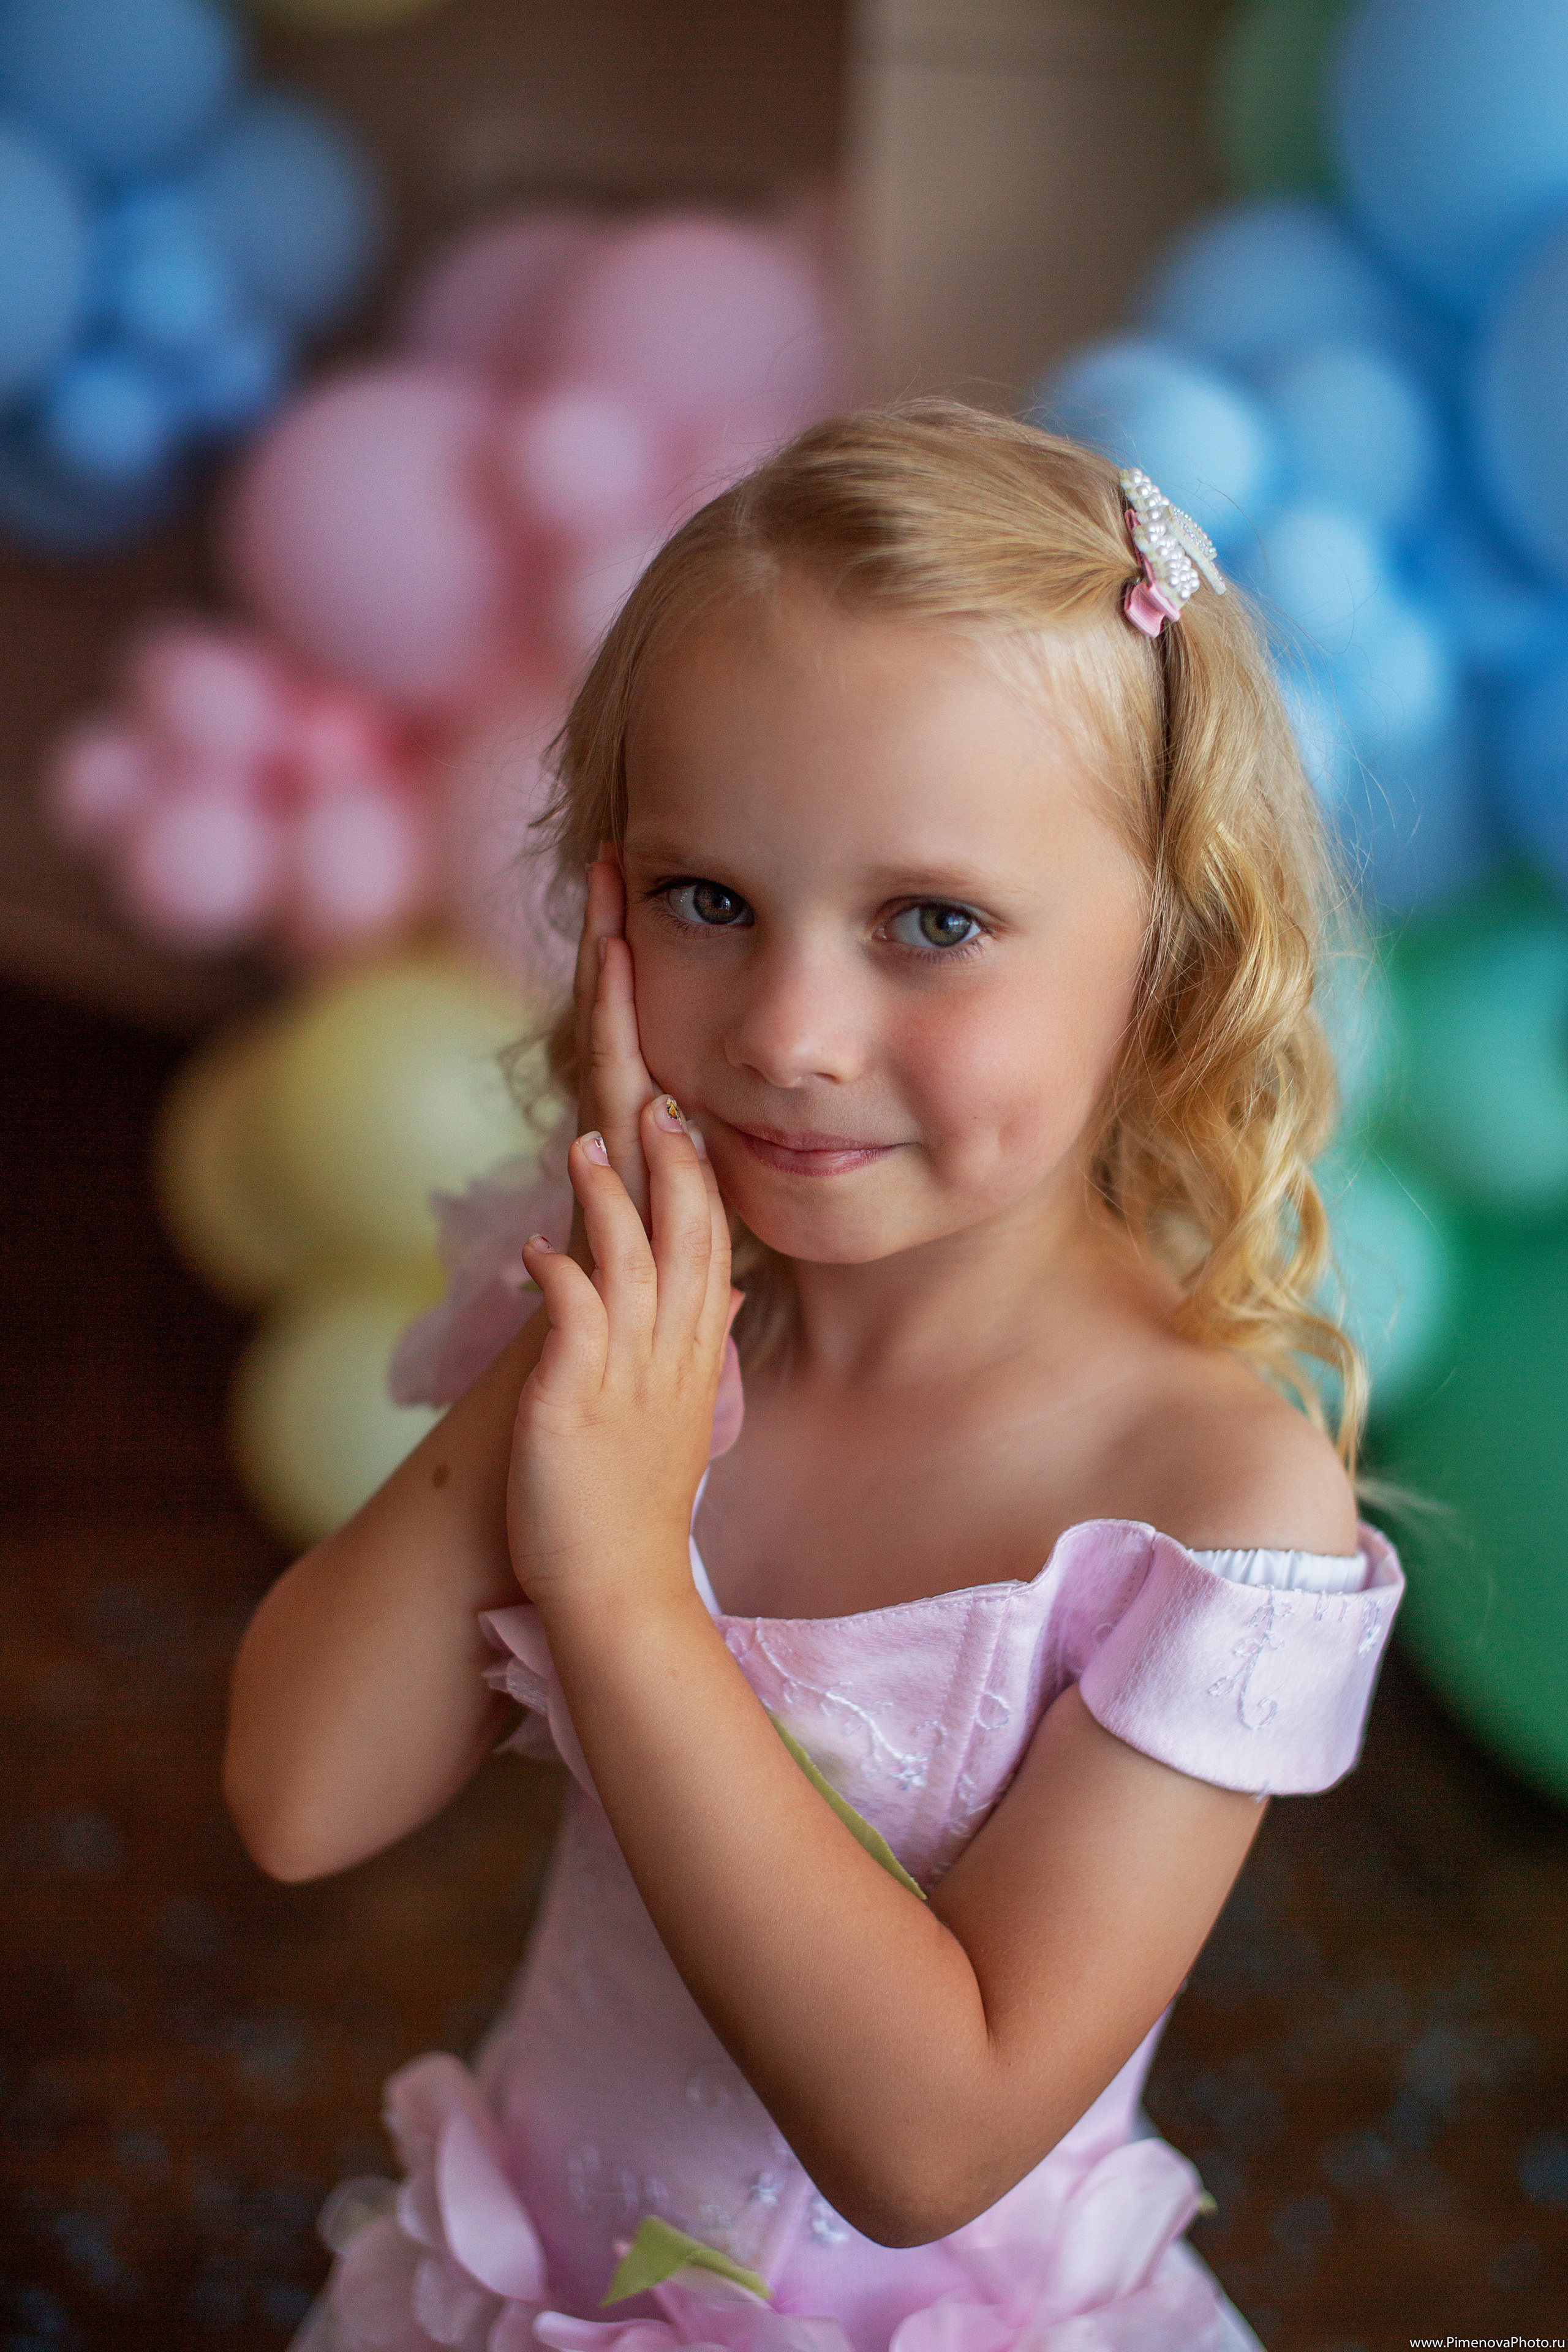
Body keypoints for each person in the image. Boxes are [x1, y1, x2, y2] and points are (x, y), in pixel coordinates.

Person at [224, 402, 1407, 2352]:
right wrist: (597, 1328)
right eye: (707, 901)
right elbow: (297, 1794)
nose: (788, 1031)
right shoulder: (629, 1343)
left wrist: (613, 1582)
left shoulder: (1211, 1506)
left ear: (1172, 955)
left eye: (931, 924)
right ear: (609, 906)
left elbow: (929, 2140)